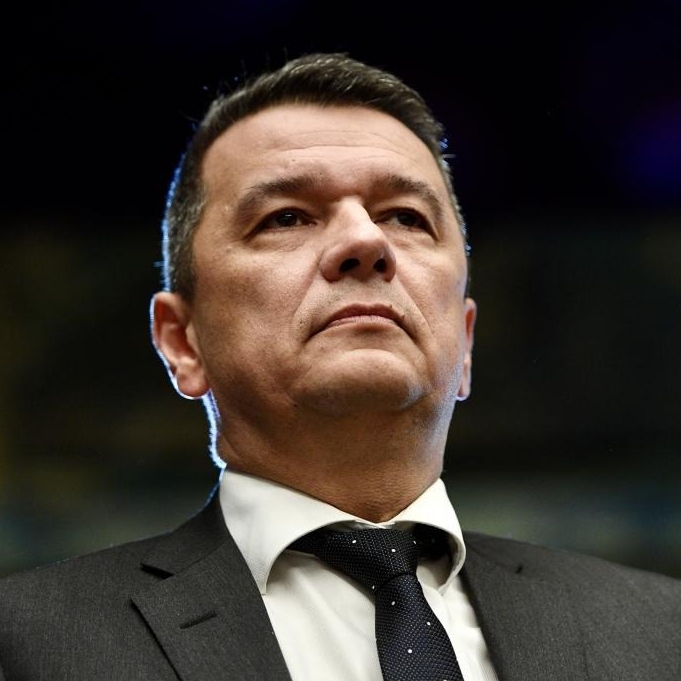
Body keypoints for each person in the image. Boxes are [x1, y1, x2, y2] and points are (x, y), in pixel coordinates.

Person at [0, 52, 678, 681]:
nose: (365, 240)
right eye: (286, 217)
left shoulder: (660, 632)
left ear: (466, 343)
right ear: (182, 342)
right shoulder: (28, 642)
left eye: (406, 216)